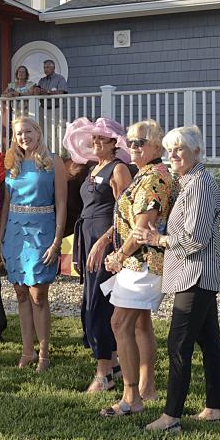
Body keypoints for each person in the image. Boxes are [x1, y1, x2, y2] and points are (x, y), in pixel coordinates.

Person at [136, 126, 220, 434]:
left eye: (179, 150)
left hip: (195, 274)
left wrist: (157, 239)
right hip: (196, 273)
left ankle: (171, 417)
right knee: (208, 341)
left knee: (178, 344)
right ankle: (214, 407)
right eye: (169, 150)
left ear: (197, 153)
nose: (172, 155)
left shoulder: (199, 184)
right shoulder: (190, 181)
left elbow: (195, 238)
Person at [98, 119, 173, 417]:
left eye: (140, 142)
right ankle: (147, 388)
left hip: (143, 261)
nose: (133, 146)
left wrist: (118, 255)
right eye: (129, 141)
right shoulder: (147, 173)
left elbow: (142, 229)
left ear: (156, 145)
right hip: (142, 262)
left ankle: (131, 399)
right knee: (140, 324)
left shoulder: (154, 178)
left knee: (120, 324)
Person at [64, 117, 134, 393]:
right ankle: (114, 362)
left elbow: (125, 215)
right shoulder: (94, 168)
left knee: (100, 304)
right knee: (89, 302)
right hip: (87, 237)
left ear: (114, 144)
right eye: (93, 138)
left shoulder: (119, 170)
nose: (94, 143)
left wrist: (104, 241)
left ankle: (103, 373)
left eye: (100, 139)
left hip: (105, 241)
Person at [0, 116, 67, 372]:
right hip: (16, 232)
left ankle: (44, 354)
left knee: (38, 295)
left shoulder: (53, 162)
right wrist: (1, 238)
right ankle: (27, 351)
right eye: (18, 133)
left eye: (28, 131)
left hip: (42, 231)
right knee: (20, 294)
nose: (23, 137)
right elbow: (6, 203)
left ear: (38, 133)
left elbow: (61, 203)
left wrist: (57, 239)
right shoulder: (11, 164)